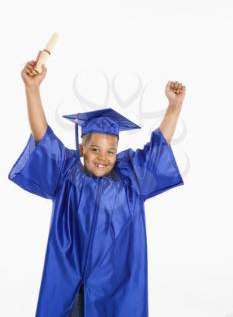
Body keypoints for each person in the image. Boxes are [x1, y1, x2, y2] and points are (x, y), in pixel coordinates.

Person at [8, 60, 186, 317]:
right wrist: (32, 89)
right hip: (71, 284)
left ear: (117, 152)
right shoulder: (67, 175)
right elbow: (42, 137)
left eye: (110, 151)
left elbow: (158, 150)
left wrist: (174, 107)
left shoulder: (131, 180)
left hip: (115, 286)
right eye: (94, 149)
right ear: (82, 149)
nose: (102, 157)